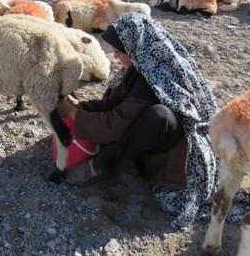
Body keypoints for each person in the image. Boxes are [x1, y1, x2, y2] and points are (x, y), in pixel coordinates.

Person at [56, 12, 222, 230]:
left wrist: (71, 114)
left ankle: (100, 166)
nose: (115, 56)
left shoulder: (154, 78)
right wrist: (80, 106)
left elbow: (114, 124)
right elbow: (115, 104)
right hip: (144, 136)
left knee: (158, 116)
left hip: (172, 156)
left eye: (118, 51)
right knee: (130, 114)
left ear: (134, 48)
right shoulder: (139, 68)